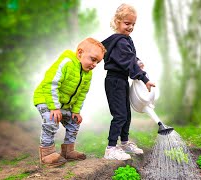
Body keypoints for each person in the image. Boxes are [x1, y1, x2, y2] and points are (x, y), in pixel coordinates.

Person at [33, 37, 106, 167]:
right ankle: (47, 153)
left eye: (98, 62)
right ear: (79, 53)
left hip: (63, 104)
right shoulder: (66, 62)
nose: (94, 64)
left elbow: (82, 94)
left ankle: (68, 151)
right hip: (45, 98)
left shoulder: (87, 74)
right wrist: (54, 108)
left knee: (74, 121)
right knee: (51, 120)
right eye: (93, 59)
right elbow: (51, 84)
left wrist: (76, 111)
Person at [101, 3, 155, 160]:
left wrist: (136, 61)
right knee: (120, 115)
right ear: (117, 21)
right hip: (115, 81)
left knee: (126, 114)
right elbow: (126, 60)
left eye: (133, 24)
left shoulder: (123, 40)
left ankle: (124, 143)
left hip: (121, 80)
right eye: (127, 23)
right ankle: (111, 148)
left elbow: (127, 58)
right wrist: (144, 78)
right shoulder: (121, 41)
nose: (131, 27)